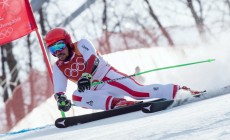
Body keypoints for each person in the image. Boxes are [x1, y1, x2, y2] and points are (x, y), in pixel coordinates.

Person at [45, 27, 202, 112]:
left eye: (59, 46)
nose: (58, 52)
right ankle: (119, 104)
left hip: (109, 77)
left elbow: (92, 59)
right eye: (53, 50)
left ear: (67, 42)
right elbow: (59, 91)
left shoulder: (82, 45)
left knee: (138, 92)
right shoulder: (58, 67)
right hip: (95, 89)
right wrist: (61, 100)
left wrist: (86, 75)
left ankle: (180, 91)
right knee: (77, 97)